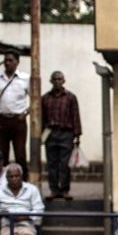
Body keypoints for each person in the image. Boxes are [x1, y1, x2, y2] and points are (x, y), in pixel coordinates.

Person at [41, 70, 82, 200]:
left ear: (64, 81)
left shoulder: (70, 97)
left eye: (60, 79)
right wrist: (41, 136)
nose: (57, 81)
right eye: (55, 79)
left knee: (65, 164)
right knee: (52, 164)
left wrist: (77, 135)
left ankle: (64, 190)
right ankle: (54, 190)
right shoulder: (45, 98)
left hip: (66, 134)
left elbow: (75, 116)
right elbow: (41, 118)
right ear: (51, 81)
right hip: (51, 133)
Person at [0, 51, 30, 166]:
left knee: (20, 154)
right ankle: (3, 177)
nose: (7, 63)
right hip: (1, 120)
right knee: (1, 154)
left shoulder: (25, 78)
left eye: (10, 60)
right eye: (5, 60)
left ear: (17, 62)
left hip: (18, 120)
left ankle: (22, 177)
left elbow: (35, 99)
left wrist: (25, 113)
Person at [0, 163, 44, 235]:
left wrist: (21, 217)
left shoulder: (32, 189)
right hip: (7, 226)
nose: (14, 179)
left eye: (17, 176)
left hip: (27, 226)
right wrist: (3, 213)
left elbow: (39, 211)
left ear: (21, 176)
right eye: (11, 176)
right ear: (6, 178)